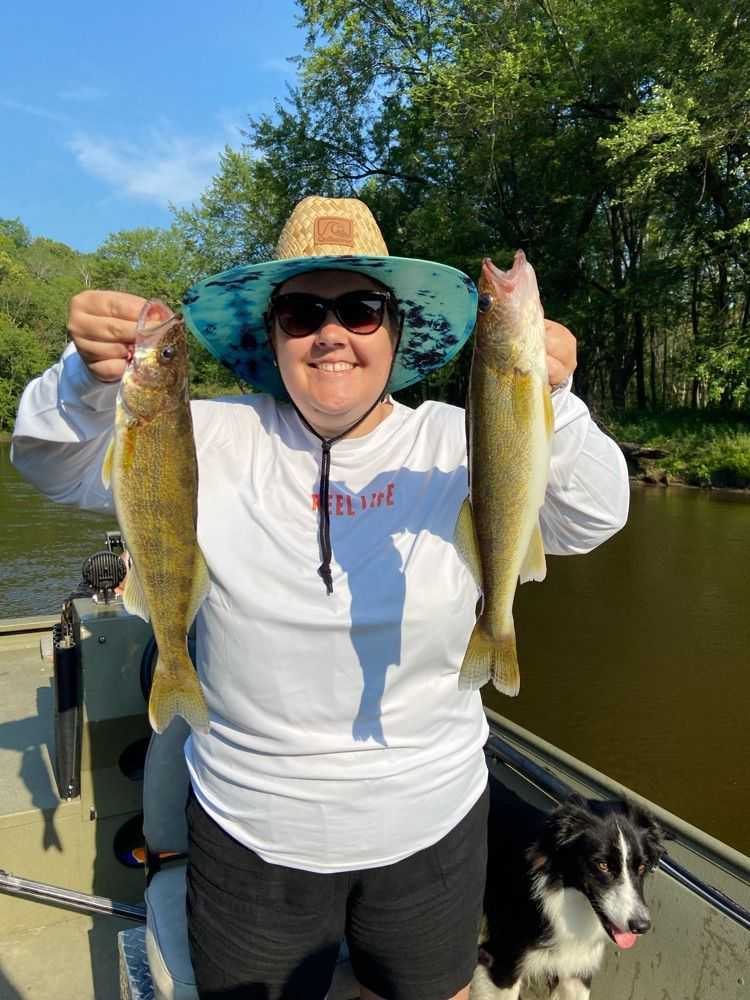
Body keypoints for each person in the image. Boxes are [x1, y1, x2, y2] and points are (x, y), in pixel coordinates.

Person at [12, 196, 629, 1000]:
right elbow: (50, 463)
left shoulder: (458, 438)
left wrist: (556, 400)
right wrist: (83, 379)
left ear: (396, 331)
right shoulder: (203, 432)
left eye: (360, 309)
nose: (331, 332)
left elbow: (594, 515)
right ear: (273, 337)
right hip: (249, 828)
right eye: (302, 313)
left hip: (434, 821)